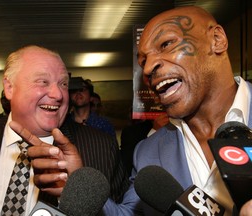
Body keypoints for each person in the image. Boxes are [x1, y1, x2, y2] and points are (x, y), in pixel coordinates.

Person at [18, 6, 252, 215]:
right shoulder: (149, 152)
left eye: (166, 44)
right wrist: (76, 184)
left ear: (217, 39)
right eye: (143, 62)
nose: (148, 68)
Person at [0, 45, 129, 216]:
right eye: (43, 81)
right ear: (9, 87)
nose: (58, 94)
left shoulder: (101, 148)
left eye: (63, 84)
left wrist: (80, 194)